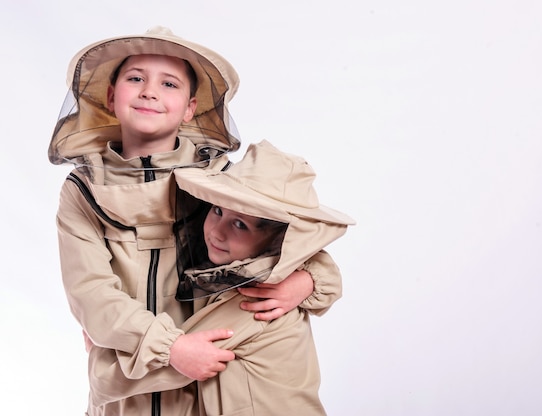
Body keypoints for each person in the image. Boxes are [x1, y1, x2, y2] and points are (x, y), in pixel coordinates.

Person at [49, 27, 344, 415]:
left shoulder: (222, 182)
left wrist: (309, 279)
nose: (149, 91)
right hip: (131, 387)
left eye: (168, 83)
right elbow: (89, 292)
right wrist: (168, 347)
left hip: (205, 381)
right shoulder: (82, 190)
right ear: (110, 96)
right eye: (135, 78)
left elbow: (290, 237)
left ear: (190, 107)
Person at [87, 140, 355, 416]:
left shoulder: (255, 301)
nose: (217, 232)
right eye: (217, 210)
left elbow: (164, 365)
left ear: (278, 239)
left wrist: (99, 355)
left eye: (240, 224)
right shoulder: (239, 276)